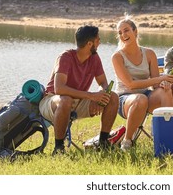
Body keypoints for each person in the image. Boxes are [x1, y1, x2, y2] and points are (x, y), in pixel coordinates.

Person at [39, 25, 119, 155]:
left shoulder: (94, 58)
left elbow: (103, 82)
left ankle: (103, 143)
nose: (100, 42)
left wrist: (100, 96)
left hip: (78, 102)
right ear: (89, 44)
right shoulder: (65, 57)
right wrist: (91, 96)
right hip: (52, 101)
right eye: (98, 40)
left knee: (113, 97)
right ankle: (58, 148)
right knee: (66, 100)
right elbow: (59, 88)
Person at [112, 16, 173, 151]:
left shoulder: (149, 53)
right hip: (125, 99)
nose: (123, 35)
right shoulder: (117, 57)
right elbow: (130, 85)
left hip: (146, 96)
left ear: (135, 32)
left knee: (166, 91)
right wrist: (159, 79)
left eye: (126, 30)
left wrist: (163, 84)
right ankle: (127, 141)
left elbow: (155, 84)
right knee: (140, 99)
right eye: (120, 33)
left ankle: (169, 137)